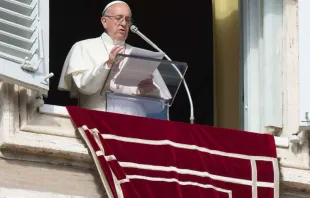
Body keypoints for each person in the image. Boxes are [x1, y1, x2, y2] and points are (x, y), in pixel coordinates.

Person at [58, 1, 171, 118]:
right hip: (98, 120)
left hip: (136, 123)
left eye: (127, 20)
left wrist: (149, 90)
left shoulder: (141, 55)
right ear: (104, 22)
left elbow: (158, 108)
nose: (123, 23)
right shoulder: (83, 47)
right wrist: (107, 65)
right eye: (118, 18)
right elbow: (84, 86)